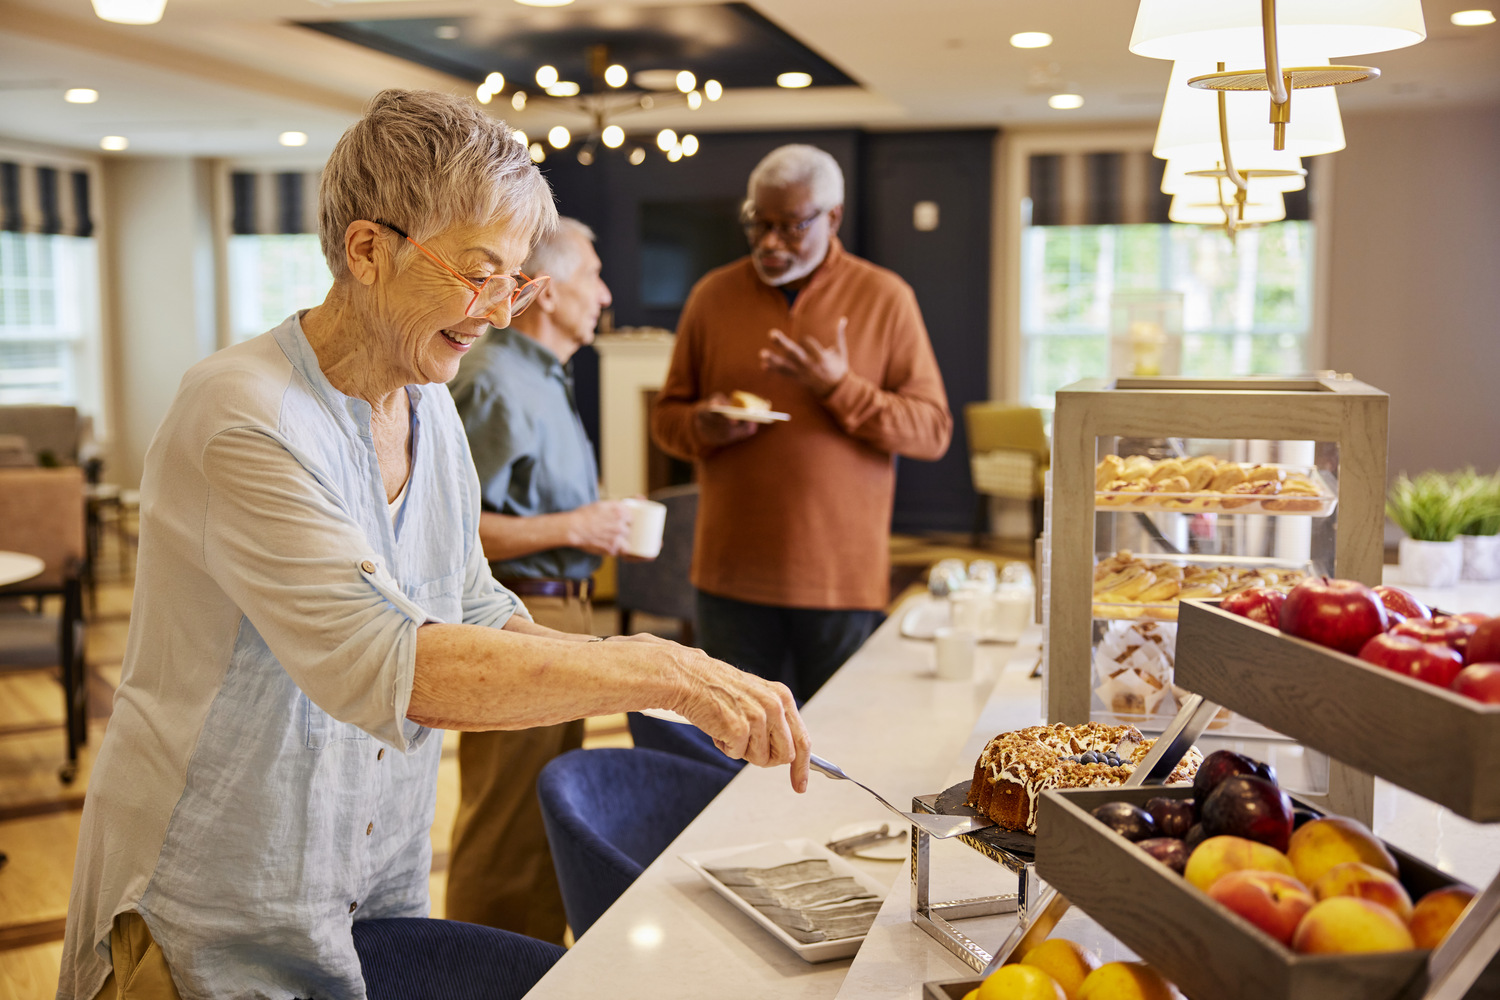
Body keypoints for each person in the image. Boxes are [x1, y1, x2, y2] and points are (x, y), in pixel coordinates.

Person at [57, 90, 809, 1000]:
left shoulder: (431, 405)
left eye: (516, 279)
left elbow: (473, 601)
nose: (498, 311)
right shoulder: (240, 414)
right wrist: (664, 670)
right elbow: (387, 663)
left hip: (367, 888)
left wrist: (632, 668)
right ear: (367, 249)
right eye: (477, 272)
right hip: (211, 907)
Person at [650, 143, 952, 704]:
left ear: (832, 218)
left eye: (790, 227)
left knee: (835, 750)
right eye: (758, 223)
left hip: (840, 582)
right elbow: (666, 421)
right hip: (729, 580)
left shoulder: (885, 297)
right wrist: (703, 427)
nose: (770, 242)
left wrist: (839, 387)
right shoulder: (712, 296)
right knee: (731, 749)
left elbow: (932, 431)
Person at [445, 218, 626, 943]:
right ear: (546, 292)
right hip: (517, 619)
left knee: (541, 824)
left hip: (564, 616)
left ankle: (534, 972)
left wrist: (589, 526)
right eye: (592, 275)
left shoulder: (546, 378)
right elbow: (450, 532)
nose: (606, 292)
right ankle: (476, 976)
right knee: (505, 830)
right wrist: (573, 529)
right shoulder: (493, 381)